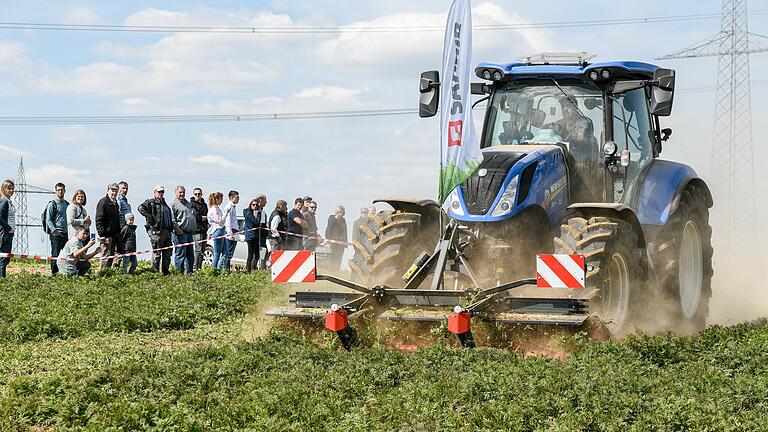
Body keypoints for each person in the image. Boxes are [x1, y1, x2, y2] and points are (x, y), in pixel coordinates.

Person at [138, 185, 178, 275]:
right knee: (157, 253)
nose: (161, 193)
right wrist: (150, 218)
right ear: (155, 192)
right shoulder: (151, 202)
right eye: (159, 192)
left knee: (168, 253)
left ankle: (165, 272)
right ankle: (154, 273)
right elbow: (140, 208)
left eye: (162, 192)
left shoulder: (164, 204)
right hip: (157, 231)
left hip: (167, 231)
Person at [171, 185, 197, 275]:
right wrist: (178, 230)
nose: (182, 194)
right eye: (180, 192)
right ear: (176, 193)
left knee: (190, 255)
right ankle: (179, 274)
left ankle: (189, 272)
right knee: (180, 254)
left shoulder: (187, 203)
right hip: (180, 233)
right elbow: (172, 219)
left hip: (189, 233)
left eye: (183, 192)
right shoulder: (173, 204)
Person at [45, 182, 69, 276]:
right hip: (56, 233)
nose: (60, 191)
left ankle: (64, 272)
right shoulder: (52, 204)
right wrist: (55, 231)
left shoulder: (67, 204)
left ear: (65, 191)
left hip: (65, 233)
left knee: (66, 254)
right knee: (55, 254)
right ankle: (54, 273)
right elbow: (48, 219)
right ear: (56, 191)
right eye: (58, 190)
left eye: (62, 189)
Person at [95, 183, 121, 268]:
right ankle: (103, 274)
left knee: (111, 255)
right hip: (105, 235)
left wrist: (117, 233)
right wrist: (101, 234)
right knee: (105, 256)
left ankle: (108, 274)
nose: (114, 193)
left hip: (113, 235)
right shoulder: (103, 202)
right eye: (112, 190)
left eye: (116, 191)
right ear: (108, 191)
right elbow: (99, 219)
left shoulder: (115, 203)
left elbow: (117, 219)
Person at [243, 198, 267, 272]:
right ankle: (248, 271)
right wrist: (259, 214)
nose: (255, 206)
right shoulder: (249, 213)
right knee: (250, 255)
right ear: (250, 205)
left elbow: (260, 224)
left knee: (257, 255)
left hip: (256, 236)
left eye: (256, 205)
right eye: (253, 205)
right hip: (250, 237)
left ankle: (253, 269)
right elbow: (256, 223)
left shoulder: (254, 213)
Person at [189, 187, 209, 270]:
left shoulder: (204, 204)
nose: (197, 195)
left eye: (199, 194)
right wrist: (203, 217)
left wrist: (205, 217)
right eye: (196, 194)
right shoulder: (191, 204)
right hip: (196, 230)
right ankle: (195, 267)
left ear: (201, 194)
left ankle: (199, 267)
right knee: (198, 250)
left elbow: (208, 215)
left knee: (202, 250)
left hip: (204, 229)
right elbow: (196, 216)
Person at [207, 192, 227, 270]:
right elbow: (220, 221)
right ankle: (215, 270)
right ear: (216, 199)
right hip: (217, 231)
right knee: (217, 253)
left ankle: (219, 268)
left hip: (221, 230)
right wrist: (226, 213)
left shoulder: (217, 208)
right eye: (221, 199)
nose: (222, 201)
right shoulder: (214, 210)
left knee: (226, 253)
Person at [0, 180, 16, 278]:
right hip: (4, 234)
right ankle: (2, 281)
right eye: (8, 188)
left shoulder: (8, 201)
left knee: (6, 259)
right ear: (4, 189)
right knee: (3, 259)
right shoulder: (4, 201)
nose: (11, 190)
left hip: (9, 234)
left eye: (12, 188)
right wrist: (8, 228)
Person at [325, 205, 348, 270]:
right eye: (339, 212)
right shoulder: (332, 218)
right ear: (336, 212)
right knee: (333, 257)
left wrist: (345, 243)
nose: (340, 213)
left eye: (342, 212)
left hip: (341, 243)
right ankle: (331, 270)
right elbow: (328, 228)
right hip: (333, 242)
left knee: (339, 257)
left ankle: (337, 270)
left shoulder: (343, 220)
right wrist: (328, 238)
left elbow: (345, 231)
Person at [221, 190, 240, 271]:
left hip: (234, 231)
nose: (238, 199)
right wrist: (230, 234)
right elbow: (228, 221)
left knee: (230, 254)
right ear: (232, 198)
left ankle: (226, 269)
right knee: (228, 253)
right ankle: (225, 270)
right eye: (237, 197)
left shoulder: (233, 207)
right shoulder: (229, 207)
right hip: (231, 231)